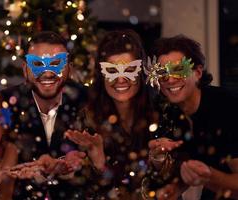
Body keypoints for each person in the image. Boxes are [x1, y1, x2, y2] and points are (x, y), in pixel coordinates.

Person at [66, 29, 158, 199]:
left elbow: (167, 184)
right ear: (102, 75)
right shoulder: (88, 118)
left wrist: (161, 159)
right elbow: (83, 189)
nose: (121, 79)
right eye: (113, 71)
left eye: (129, 69)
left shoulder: (160, 113)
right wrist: (99, 163)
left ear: (141, 71)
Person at [148, 35, 238, 199]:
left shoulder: (228, 108)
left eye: (178, 69)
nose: (170, 79)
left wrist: (207, 175)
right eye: (162, 72)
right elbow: (184, 172)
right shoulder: (168, 112)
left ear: (197, 72)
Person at [2, 31, 87, 199]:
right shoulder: (6, 104)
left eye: (56, 63)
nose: (47, 73)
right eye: (38, 64)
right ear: (25, 70)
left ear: (68, 68)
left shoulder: (87, 101)